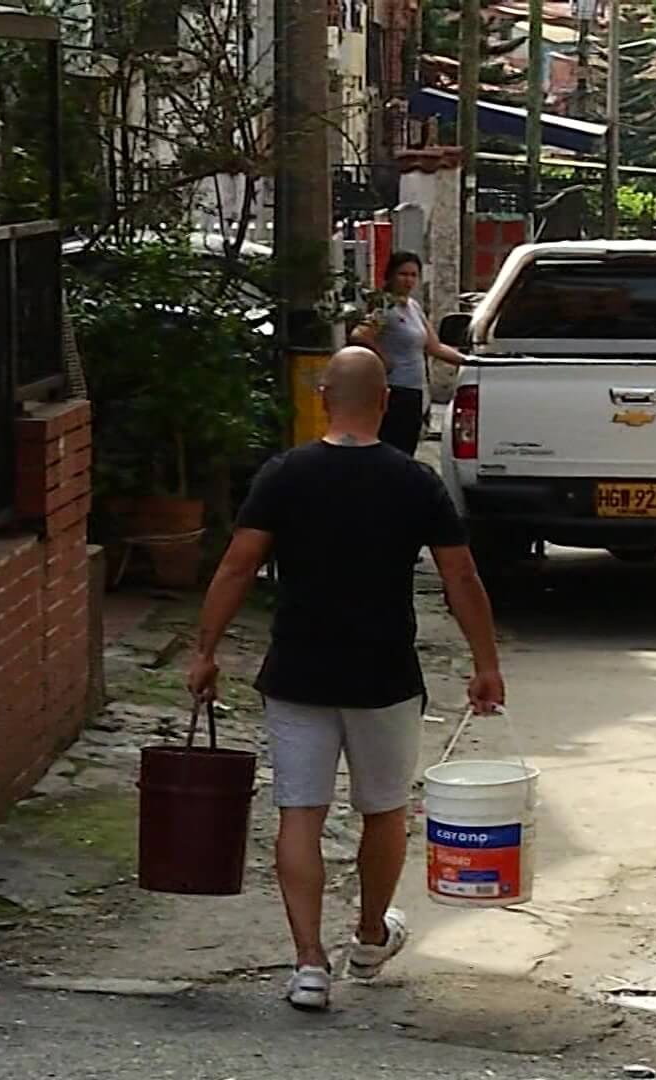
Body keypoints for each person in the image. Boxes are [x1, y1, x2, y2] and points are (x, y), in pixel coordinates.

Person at [187, 346, 506, 1013]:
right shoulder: (413, 483)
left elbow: (238, 567)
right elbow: (461, 576)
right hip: (383, 674)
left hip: (298, 669)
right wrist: (486, 663)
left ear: (326, 397)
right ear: (386, 402)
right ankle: (367, 937)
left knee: (299, 811)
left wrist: (205, 649)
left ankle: (309, 964)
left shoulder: (285, 474)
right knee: (383, 810)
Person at [349, 251, 467, 455]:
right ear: (391, 275)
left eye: (413, 275)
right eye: (403, 274)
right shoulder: (385, 306)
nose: (408, 280)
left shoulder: (413, 307)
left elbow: (434, 347)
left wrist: (470, 361)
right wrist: (383, 357)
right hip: (393, 390)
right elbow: (359, 335)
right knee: (392, 448)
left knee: (409, 448)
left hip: (415, 390)